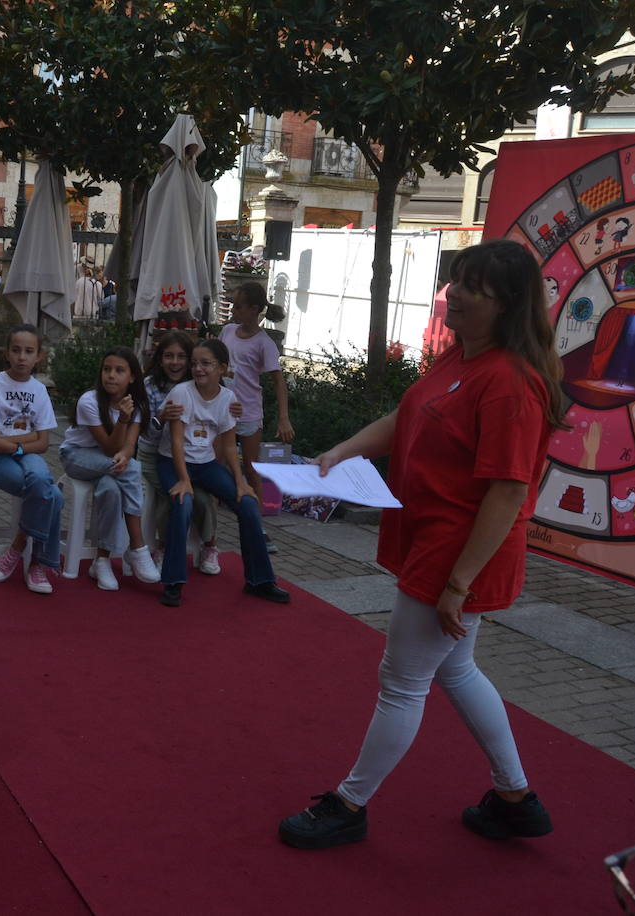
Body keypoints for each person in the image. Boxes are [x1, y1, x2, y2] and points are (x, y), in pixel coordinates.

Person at [278, 239, 561, 850]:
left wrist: (459, 584)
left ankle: (349, 805)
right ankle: (515, 798)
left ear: (506, 303)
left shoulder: (510, 383)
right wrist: (341, 452)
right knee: (455, 668)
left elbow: (509, 491)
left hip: (458, 552)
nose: (453, 294)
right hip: (434, 539)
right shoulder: (462, 356)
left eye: (471, 287)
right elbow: (406, 417)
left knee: (403, 681)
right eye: (455, 281)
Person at [157, 338, 290, 606]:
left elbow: (230, 447)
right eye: (195, 363)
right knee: (183, 502)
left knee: (248, 504)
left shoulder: (229, 399)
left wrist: (240, 482)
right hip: (172, 462)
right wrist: (184, 480)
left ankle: (260, 581)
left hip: (206, 464)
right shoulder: (181, 393)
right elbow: (176, 442)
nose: (198, 369)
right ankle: (173, 581)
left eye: (206, 363)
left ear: (222, 368)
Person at [57, 346, 160, 590]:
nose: (111, 375)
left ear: (132, 377)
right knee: (132, 470)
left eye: (119, 370)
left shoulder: (137, 405)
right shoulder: (89, 401)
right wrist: (122, 421)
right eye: (107, 369)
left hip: (108, 465)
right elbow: (109, 447)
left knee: (112, 488)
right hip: (76, 457)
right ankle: (137, 546)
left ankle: (101, 561)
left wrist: (124, 456)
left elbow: (128, 447)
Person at [139, 331, 240, 576]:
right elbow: (143, 431)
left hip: (197, 459)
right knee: (174, 497)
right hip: (155, 455)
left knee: (205, 498)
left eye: (181, 356)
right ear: (159, 359)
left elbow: (222, 419)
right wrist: (161, 417)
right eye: (168, 356)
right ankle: (164, 548)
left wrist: (236, 410)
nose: (175, 362)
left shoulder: (202, 381)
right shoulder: (150, 386)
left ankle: (209, 545)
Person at [0, 324, 64, 595]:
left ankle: (18, 547)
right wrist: (27, 439)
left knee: (43, 484)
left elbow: (44, 443)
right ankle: (39, 563)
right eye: (16, 350)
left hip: (25, 454)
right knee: (52, 495)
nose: (22, 357)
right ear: (6, 353)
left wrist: (12, 444)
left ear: (39, 356)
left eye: (28, 351)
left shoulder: (39, 391)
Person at [222, 282, 293, 553]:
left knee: (251, 469)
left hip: (249, 413)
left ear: (254, 310)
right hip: (222, 412)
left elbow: (279, 382)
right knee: (217, 464)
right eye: (233, 305)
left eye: (238, 306)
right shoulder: (227, 331)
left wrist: (283, 418)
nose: (233, 310)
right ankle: (208, 526)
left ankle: (258, 528)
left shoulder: (264, 343)